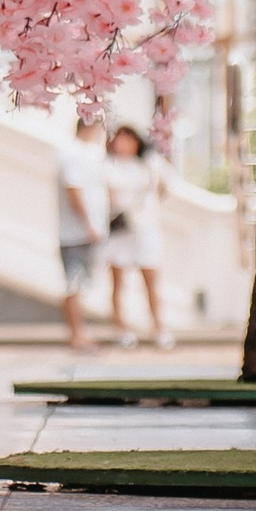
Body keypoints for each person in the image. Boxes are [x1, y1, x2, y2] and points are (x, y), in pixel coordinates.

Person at [98, 122, 172, 348]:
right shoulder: (107, 166)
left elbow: (166, 186)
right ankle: (121, 328)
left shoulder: (149, 164)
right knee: (118, 282)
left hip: (144, 228)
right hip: (120, 231)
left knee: (150, 280)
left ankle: (159, 327)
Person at [56, 127, 106, 352]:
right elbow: (73, 190)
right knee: (74, 284)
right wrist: (88, 224)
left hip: (82, 233)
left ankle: (79, 333)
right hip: (75, 233)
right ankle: (76, 334)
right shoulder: (72, 153)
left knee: (79, 284)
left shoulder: (87, 153)